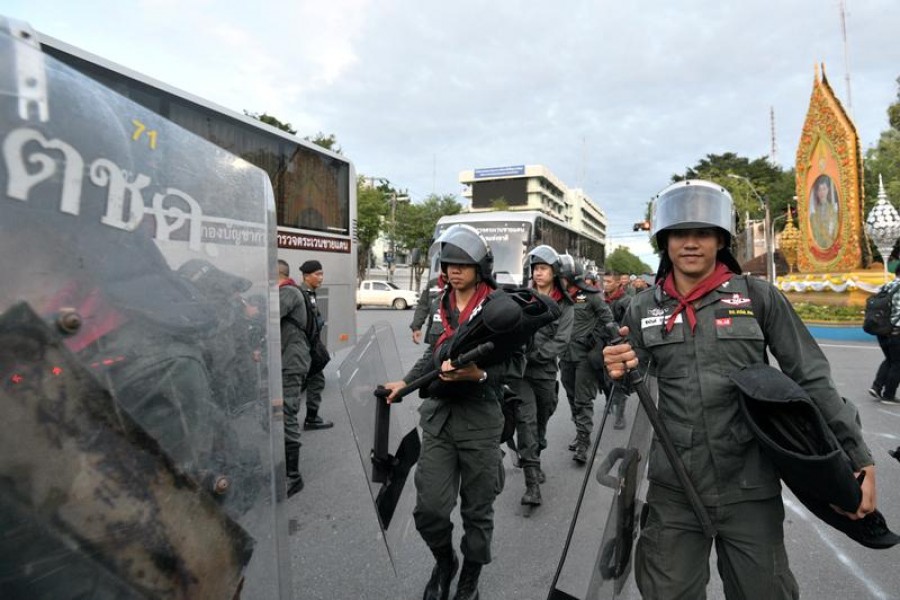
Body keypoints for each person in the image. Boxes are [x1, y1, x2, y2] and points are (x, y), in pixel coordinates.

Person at [603, 179, 876, 599]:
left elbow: (811, 377)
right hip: (673, 488)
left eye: (703, 233)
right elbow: (625, 388)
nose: (690, 244)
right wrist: (614, 370)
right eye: (679, 233)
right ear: (663, 240)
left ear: (721, 239)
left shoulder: (758, 297)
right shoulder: (642, 308)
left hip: (749, 487)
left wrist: (856, 456)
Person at [382, 225, 514, 600]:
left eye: (463, 263)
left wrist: (482, 373)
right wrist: (404, 384)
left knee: (478, 512)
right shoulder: (441, 304)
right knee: (430, 511)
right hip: (439, 420)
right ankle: (445, 563)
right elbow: (432, 355)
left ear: (480, 267)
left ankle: (470, 577)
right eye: (449, 262)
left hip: (479, 421)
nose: (454, 270)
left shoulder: (500, 307)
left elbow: (515, 364)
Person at [511, 245, 574, 506]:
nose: (538, 273)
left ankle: (534, 454)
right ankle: (532, 483)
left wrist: (536, 356)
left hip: (545, 372)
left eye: (544, 268)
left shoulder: (565, 305)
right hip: (520, 372)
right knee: (526, 422)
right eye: (535, 268)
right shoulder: (522, 297)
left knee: (541, 419)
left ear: (554, 272)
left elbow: (562, 341)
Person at [558, 255, 615, 464]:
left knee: (583, 399)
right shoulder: (559, 297)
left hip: (585, 356)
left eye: (561, 276)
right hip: (565, 356)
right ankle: (579, 431)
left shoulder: (589, 296)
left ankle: (583, 441)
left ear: (570, 277)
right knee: (572, 398)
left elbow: (608, 320)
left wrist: (597, 337)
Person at [278, 259, 308, 496]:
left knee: (287, 412)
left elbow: (265, 314)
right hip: (284, 360)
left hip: (291, 362)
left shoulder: (287, 292)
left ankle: (293, 475)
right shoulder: (286, 291)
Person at [298, 260, 334, 430]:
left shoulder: (310, 293)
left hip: (310, 346)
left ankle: (311, 417)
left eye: (322, 274)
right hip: (304, 348)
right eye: (317, 274)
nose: (321, 278)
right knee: (298, 383)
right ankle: (279, 417)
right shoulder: (301, 293)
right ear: (306, 276)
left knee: (315, 380)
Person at [602, 270, 632, 429]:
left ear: (618, 283)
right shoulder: (601, 299)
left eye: (609, 281)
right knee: (605, 381)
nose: (605, 284)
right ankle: (609, 401)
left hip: (619, 346)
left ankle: (620, 416)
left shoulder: (626, 301)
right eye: (604, 281)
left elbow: (630, 325)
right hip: (602, 345)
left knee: (619, 382)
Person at [869, 262, 900, 405]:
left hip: (881, 330)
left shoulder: (887, 286)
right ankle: (889, 395)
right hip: (896, 331)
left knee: (890, 359)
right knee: (897, 364)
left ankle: (876, 386)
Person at [809, 175, 839, 249]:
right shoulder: (814, 214)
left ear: (828, 190)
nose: (822, 192)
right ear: (817, 192)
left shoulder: (833, 209)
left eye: (824, 189)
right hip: (818, 247)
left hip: (831, 246)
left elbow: (835, 229)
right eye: (819, 190)